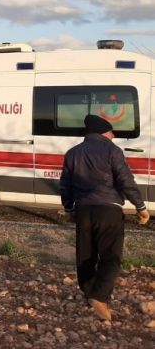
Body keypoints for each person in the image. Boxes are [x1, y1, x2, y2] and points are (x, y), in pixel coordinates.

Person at [60, 114, 151, 321]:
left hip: (84, 211)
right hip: (109, 210)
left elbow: (65, 184)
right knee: (111, 257)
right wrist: (140, 206)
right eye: (111, 132)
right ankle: (99, 297)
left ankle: (90, 293)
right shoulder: (112, 150)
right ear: (103, 132)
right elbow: (125, 180)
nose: (113, 135)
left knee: (86, 255)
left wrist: (69, 209)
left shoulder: (73, 153)